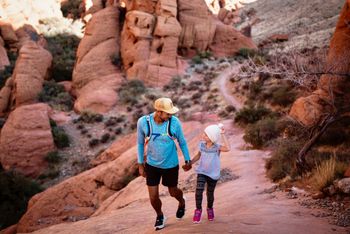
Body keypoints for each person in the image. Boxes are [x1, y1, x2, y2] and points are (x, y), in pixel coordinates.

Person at [137, 97, 192, 230]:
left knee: (173, 192)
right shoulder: (144, 122)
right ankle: (160, 215)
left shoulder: (174, 123)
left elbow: (182, 142)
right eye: (168, 113)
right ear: (159, 112)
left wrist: (187, 159)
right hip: (152, 165)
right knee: (153, 197)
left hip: (170, 165)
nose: (171, 115)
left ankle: (182, 202)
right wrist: (140, 164)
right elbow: (139, 143)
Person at [182, 123, 231, 223]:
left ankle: (210, 209)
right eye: (204, 133)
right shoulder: (201, 144)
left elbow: (228, 148)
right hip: (202, 172)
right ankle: (198, 210)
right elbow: (198, 155)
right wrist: (190, 162)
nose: (203, 136)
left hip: (213, 174)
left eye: (206, 134)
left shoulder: (217, 147)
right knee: (198, 192)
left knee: (210, 194)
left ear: (212, 137)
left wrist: (222, 134)